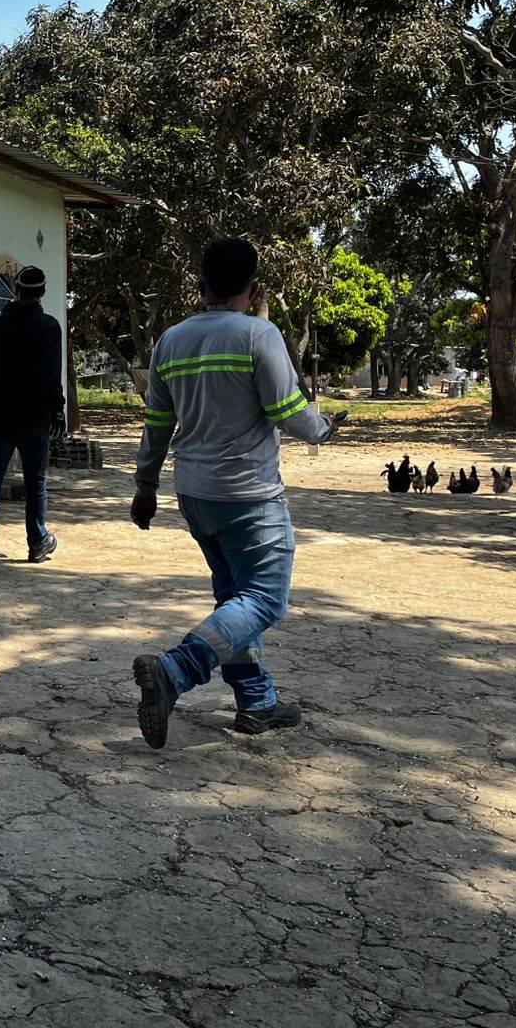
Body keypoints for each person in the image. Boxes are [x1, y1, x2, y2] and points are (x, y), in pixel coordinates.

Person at [128, 238, 346, 747]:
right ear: (252, 288)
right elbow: (289, 413)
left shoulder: (171, 341)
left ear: (201, 284)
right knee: (264, 599)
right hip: (248, 494)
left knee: (234, 598)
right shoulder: (258, 334)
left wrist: (145, 485)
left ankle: (257, 701)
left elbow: (157, 423)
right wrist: (324, 428)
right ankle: (175, 670)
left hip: (194, 495)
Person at [0, 265, 67, 574]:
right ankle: (37, 541)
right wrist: (57, 409)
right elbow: (50, 375)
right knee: (36, 480)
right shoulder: (48, 327)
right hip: (34, 418)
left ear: (17, 291)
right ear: (42, 293)